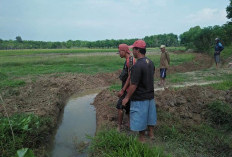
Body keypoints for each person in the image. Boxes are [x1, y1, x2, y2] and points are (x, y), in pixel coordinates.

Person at [122, 40, 157, 142]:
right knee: (150, 116)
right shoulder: (150, 62)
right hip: (150, 95)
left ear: (138, 50)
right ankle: (151, 134)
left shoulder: (137, 66)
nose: (132, 51)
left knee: (140, 116)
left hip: (140, 97)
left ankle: (141, 138)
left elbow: (134, 84)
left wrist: (127, 97)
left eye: (133, 49)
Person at [116, 44, 135, 132]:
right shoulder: (128, 60)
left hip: (127, 89)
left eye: (119, 51)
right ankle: (129, 124)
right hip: (127, 89)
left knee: (120, 106)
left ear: (124, 51)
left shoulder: (130, 61)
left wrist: (123, 90)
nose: (119, 53)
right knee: (128, 107)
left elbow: (130, 77)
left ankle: (119, 127)